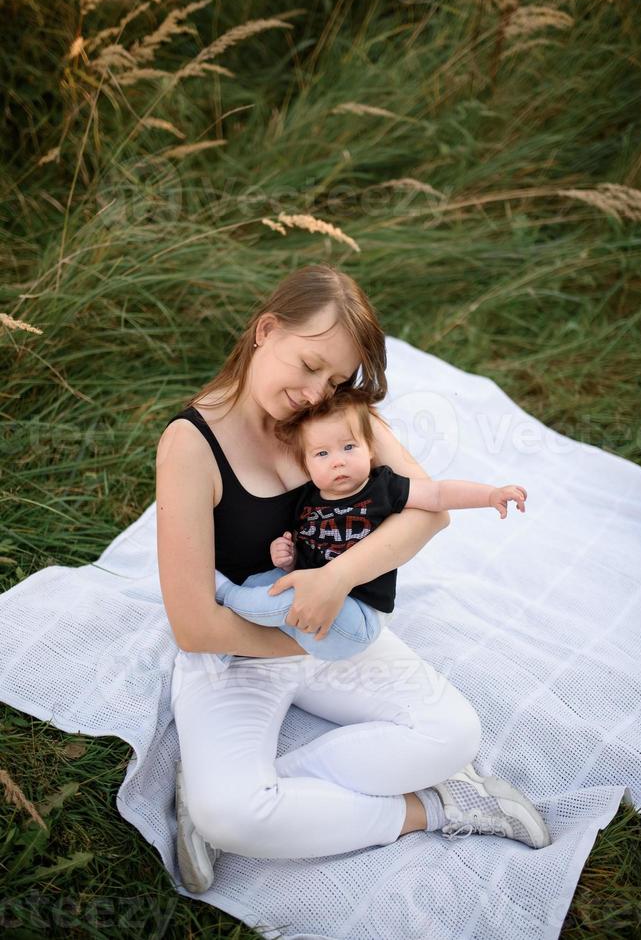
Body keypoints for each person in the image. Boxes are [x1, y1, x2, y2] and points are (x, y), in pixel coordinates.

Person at [156, 264, 551, 895]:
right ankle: (430, 810)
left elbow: (430, 513)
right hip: (242, 644)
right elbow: (194, 625)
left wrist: (333, 581)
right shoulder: (191, 443)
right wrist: (310, 630)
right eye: (309, 365)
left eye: (335, 379)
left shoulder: (339, 420)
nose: (317, 393)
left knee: (454, 735)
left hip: (334, 619)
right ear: (266, 331)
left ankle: (232, 788)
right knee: (232, 813)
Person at [206, 386, 529, 662]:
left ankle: (225, 594)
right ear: (305, 463)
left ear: (370, 450)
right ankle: (250, 626)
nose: (338, 460)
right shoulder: (307, 500)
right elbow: (306, 557)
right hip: (315, 599)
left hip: (354, 616)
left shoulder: (381, 488)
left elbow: (437, 493)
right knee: (263, 581)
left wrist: (491, 495)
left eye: (349, 447)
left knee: (279, 598)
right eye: (322, 454)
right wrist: (287, 558)